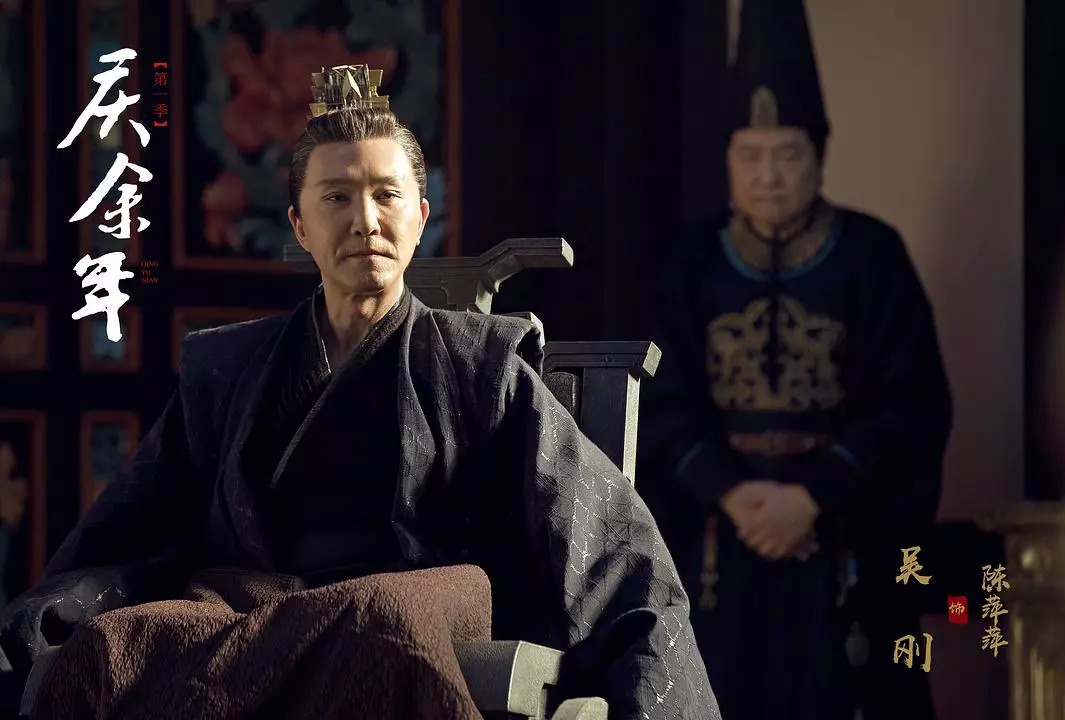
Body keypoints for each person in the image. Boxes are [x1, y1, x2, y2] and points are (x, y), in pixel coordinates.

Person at [0, 66, 720, 719]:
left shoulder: (482, 366)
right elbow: (134, 527)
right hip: (257, 598)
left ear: (420, 217)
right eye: (337, 197)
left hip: (422, 592)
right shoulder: (229, 368)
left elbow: (605, 544)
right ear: (299, 225)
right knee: (122, 644)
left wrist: (646, 685)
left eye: (386, 195)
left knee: (382, 620)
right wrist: (64, 609)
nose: (365, 221)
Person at [637, 3, 952, 719]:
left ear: (819, 154)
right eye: (750, 156)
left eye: (787, 155)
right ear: (728, 159)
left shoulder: (873, 257)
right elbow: (657, 396)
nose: (769, 175)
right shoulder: (689, 264)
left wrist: (813, 495)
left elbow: (911, 400)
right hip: (720, 538)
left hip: (839, 535)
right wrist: (730, 493)